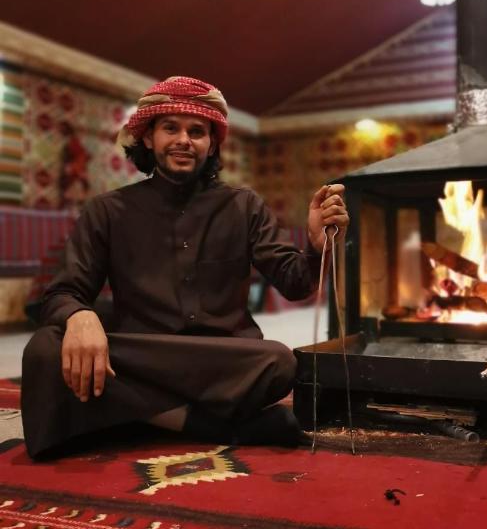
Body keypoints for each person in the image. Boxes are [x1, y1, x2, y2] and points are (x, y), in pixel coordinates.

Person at [21, 76, 349, 459]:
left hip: (222, 359)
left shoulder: (244, 206)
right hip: (146, 354)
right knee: (45, 348)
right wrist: (79, 316)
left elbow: (294, 284)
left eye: (197, 131)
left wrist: (313, 247)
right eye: (170, 128)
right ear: (147, 138)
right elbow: (63, 292)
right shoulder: (107, 211)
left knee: (279, 363)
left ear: (212, 145)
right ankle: (204, 425)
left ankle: (133, 416)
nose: (184, 140)